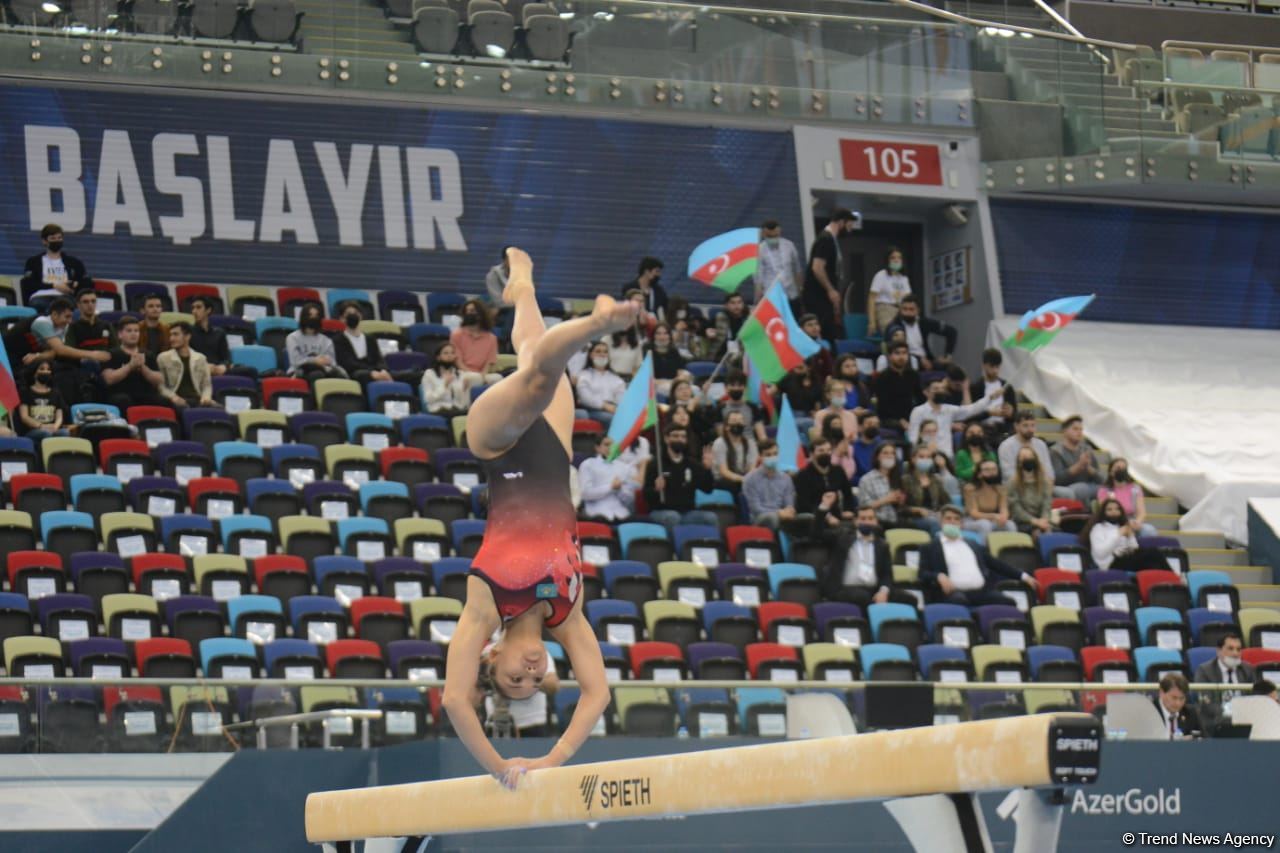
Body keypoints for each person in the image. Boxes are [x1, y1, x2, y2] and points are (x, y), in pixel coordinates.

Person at [442, 248, 635, 788]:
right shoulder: (566, 611)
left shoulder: (485, 602)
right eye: (534, 682)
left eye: (513, 680)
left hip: (498, 445)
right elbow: (597, 694)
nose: (529, 676)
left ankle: (595, 325)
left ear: (492, 655)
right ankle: (522, 287)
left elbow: (455, 699)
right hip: (553, 447)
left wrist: (498, 766)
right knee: (534, 353)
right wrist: (552, 761)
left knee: (536, 378)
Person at [919, 506, 1037, 606]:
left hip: (981, 592)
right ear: (941, 522)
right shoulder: (930, 547)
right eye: (948, 518)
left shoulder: (973, 544)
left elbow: (996, 564)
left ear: (961, 524)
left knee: (1008, 602)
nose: (952, 522)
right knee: (959, 601)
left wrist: (1023, 576)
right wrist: (938, 576)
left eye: (956, 519)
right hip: (953, 593)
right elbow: (922, 574)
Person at [9, 297, 111, 407]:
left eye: (71, 317)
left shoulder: (62, 326)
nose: (69, 321)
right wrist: (93, 355)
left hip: (29, 359)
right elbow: (60, 350)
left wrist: (39, 356)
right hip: (10, 360)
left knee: (70, 371)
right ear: (54, 315)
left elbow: (54, 352)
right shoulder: (42, 322)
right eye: (66, 317)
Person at [815, 504, 915, 608]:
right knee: (863, 597)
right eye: (863, 518)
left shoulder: (882, 545)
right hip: (845, 588)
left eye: (870, 518)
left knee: (909, 599)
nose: (867, 522)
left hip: (873, 589)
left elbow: (887, 574)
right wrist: (823, 507)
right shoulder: (842, 538)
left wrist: (883, 592)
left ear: (876, 521)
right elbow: (817, 534)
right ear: (855, 521)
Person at [642, 423, 719, 532]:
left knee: (711, 517)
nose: (680, 439)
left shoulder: (692, 464)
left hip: (687, 512)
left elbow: (707, 489)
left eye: (683, 437)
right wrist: (656, 489)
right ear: (666, 439)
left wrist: (707, 470)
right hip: (661, 511)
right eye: (676, 436)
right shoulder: (656, 464)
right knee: (673, 517)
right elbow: (646, 495)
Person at [478, 640, 559, 738]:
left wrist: (525, 677)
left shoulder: (537, 652)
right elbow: (475, 684)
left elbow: (552, 685)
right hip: (493, 723)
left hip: (532, 725)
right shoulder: (489, 651)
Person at [908, 378, 1001, 457]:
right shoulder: (918, 411)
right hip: (926, 455)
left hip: (947, 456)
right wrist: (921, 453)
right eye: (936, 388)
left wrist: (990, 398)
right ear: (926, 392)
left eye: (942, 388)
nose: (940, 391)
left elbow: (971, 410)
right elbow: (913, 437)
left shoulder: (949, 409)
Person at [803, 209, 856, 342]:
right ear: (841, 222)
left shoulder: (831, 240)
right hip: (818, 297)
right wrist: (830, 290)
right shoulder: (825, 239)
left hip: (824, 298)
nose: (850, 230)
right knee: (824, 334)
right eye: (849, 225)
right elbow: (817, 267)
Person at [1191, 633, 1255, 732]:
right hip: (1216, 723)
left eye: (1238, 649)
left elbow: (1255, 698)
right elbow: (1207, 704)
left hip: (1244, 722)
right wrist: (1231, 715)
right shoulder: (1204, 671)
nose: (1235, 653)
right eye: (1230, 648)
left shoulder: (1248, 670)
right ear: (1219, 651)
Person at [102, 315, 168, 411]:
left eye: (136, 331)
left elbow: (159, 380)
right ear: (120, 334)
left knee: (163, 401)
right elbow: (108, 379)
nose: (133, 334)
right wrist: (130, 366)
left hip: (145, 395)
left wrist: (143, 368)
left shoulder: (148, 354)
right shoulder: (111, 354)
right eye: (129, 331)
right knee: (123, 400)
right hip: (120, 395)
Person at [1083, 498, 1166, 571]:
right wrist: (1118, 534)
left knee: (1153, 560)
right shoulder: (1098, 528)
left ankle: (1167, 578)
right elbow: (1100, 553)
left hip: (1127, 557)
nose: (1114, 512)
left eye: (1117, 509)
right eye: (1109, 510)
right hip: (1110, 563)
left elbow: (1134, 548)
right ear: (1103, 512)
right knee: (1152, 554)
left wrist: (1130, 536)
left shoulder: (1121, 526)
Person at [882, 294, 956, 370]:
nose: (907, 312)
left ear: (918, 310)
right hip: (906, 360)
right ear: (900, 310)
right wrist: (919, 359)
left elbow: (951, 331)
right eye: (905, 309)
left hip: (927, 359)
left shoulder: (924, 322)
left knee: (952, 369)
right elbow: (891, 350)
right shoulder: (894, 326)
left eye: (911, 309)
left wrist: (947, 356)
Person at [21, 223, 88, 305]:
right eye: (53, 238)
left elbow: (85, 282)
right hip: (41, 297)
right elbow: (28, 284)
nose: (57, 241)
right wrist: (54, 286)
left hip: (66, 297)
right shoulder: (33, 262)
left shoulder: (74, 263)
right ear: (44, 241)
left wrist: (75, 286)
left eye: (59, 238)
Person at [791, 435, 852, 520]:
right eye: (821, 451)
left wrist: (848, 510)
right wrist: (825, 516)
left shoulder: (838, 471)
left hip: (836, 515)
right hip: (813, 517)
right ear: (811, 454)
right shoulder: (802, 475)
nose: (826, 453)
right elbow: (803, 504)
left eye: (829, 450)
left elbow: (848, 495)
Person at [578, 435, 637, 522]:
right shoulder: (588, 464)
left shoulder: (624, 467)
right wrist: (610, 487)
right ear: (598, 448)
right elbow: (585, 494)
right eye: (606, 444)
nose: (610, 448)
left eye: (613, 445)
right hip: (597, 515)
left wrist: (619, 489)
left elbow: (629, 500)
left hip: (622, 514)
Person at [158, 323, 216, 409]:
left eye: (175, 334)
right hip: (175, 399)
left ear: (187, 336)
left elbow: (206, 385)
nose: (171, 338)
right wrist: (173, 397)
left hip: (197, 399)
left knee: (221, 410)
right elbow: (161, 386)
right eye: (170, 335)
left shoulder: (201, 358)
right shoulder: (163, 358)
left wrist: (206, 398)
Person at [742, 439, 796, 531]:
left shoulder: (786, 478)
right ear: (760, 457)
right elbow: (755, 508)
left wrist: (789, 510)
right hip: (760, 518)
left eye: (775, 454)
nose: (773, 457)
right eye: (768, 455)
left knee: (806, 518)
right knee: (772, 518)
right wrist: (778, 513)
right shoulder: (749, 479)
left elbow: (789, 504)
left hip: (783, 515)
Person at [1097, 458, 1159, 538]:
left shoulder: (1135, 488)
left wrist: (1137, 522)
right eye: (1118, 468)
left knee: (1149, 530)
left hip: (1132, 521)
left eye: (1124, 468)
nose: (1121, 470)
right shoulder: (1104, 490)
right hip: (1113, 523)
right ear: (1111, 472)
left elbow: (1141, 513)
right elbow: (1105, 513)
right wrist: (1125, 525)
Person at [333, 302, 392, 385]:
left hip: (376, 371)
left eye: (356, 313)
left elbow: (379, 359)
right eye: (349, 314)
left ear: (360, 316)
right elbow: (348, 364)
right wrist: (372, 372)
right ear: (342, 319)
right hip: (355, 374)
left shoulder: (370, 338)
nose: (353, 315)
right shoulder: (338, 340)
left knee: (407, 375)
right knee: (362, 375)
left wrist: (383, 370)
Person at [1050, 415, 1103, 505]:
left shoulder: (1086, 449)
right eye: (1075, 429)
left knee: (1106, 489)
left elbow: (1100, 479)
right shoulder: (1056, 451)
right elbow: (1057, 479)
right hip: (1066, 489)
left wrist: (1088, 468)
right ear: (1065, 431)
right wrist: (1078, 466)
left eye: (1081, 430)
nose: (1079, 432)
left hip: (1087, 487)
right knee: (1078, 490)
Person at [872, 342, 924, 432]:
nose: (901, 357)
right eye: (897, 353)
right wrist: (900, 421)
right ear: (889, 356)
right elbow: (883, 406)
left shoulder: (913, 375)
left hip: (911, 416)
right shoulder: (882, 378)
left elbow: (920, 398)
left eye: (904, 353)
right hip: (889, 419)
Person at [754, 219, 804, 313]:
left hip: (791, 294)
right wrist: (757, 301)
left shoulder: (789, 246)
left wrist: (800, 290)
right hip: (771, 296)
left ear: (779, 232)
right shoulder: (759, 250)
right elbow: (758, 278)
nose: (773, 238)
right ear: (763, 234)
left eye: (776, 235)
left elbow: (797, 270)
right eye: (770, 236)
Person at [574, 340, 625, 428]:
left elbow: (621, 397)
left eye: (605, 352)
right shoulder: (584, 375)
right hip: (592, 409)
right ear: (590, 355)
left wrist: (617, 409)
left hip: (613, 408)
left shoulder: (615, 378)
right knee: (610, 418)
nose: (602, 354)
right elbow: (585, 398)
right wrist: (605, 406)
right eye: (598, 351)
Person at [450, 299, 502, 386]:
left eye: (472, 311)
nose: (468, 313)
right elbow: (458, 362)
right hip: (463, 373)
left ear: (480, 315)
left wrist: (482, 375)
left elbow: (489, 363)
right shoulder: (456, 335)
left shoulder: (492, 338)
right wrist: (475, 375)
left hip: (483, 374)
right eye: (467, 311)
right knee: (469, 378)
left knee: (498, 378)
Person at [963, 458, 1016, 541]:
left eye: (994, 469)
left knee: (1010, 524)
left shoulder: (1001, 489)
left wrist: (1004, 517)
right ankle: (984, 548)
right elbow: (974, 513)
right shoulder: (970, 489)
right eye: (987, 470)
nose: (991, 472)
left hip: (992, 520)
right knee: (985, 525)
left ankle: (1013, 547)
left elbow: (1004, 508)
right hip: (972, 521)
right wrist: (994, 516)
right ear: (979, 474)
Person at [970, 348, 1017, 438]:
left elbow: (1015, 415)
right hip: (982, 429)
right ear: (984, 365)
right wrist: (990, 413)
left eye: (997, 367)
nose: (995, 371)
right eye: (992, 367)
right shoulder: (975, 387)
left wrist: (1011, 413)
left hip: (1003, 429)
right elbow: (971, 414)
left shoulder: (1007, 387)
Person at [1008, 446, 1054, 538]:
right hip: (1022, 522)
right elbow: (1016, 509)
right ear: (1019, 462)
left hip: (1042, 520)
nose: (1028, 459)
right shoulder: (1013, 482)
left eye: (1030, 457)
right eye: (1024, 457)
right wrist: (1035, 522)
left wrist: (1044, 519)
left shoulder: (1044, 481)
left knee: (1048, 531)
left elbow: (1047, 504)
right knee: (1037, 533)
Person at [997, 410, 1054, 484]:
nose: (1030, 429)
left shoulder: (1041, 445)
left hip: (1040, 485)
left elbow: (1049, 472)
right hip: (1015, 486)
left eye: (1033, 425)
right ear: (1016, 426)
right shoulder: (1006, 446)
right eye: (1025, 425)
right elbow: (1008, 474)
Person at [286, 309, 345, 380]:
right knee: (317, 374)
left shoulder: (326, 340)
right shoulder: (293, 337)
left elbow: (332, 361)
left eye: (316, 316)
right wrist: (315, 361)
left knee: (339, 375)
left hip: (324, 369)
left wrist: (325, 361)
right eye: (310, 315)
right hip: (300, 371)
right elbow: (296, 362)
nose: (313, 318)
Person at [858, 442, 907, 527]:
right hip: (877, 522)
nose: (890, 456)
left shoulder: (897, 478)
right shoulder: (867, 479)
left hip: (896, 519)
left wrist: (900, 500)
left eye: (892, 453)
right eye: (885, 453)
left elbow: (900, 506)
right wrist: (886, 500)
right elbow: (864, 507)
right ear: (877, 457)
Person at [866, 246, 911, 336]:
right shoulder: (881, 275)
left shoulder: (903, 278)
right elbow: (871, 299)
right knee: (896, 334)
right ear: (887, 260)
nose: (896, 260)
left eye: (899, 258)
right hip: (885, 309)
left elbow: (908, 298)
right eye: (893, 258)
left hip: (902, 310)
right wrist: (872, 322)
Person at [902, 444, 947, 535]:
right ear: (913, 459)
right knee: (933, 523)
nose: (925, 459)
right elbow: (901, 508)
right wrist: (917, 510)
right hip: (915, 518)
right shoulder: (905, 480)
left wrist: (942, 512)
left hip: (935, 515)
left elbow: (946, 502)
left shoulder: (936, 480)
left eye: (928, 457)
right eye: (921, 457)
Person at [16, 363, 67, 442]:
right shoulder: (25, 392)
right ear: (34, 373)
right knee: (45, 434)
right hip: (33, 430)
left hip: (52, 428)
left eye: (48, 369)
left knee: (64, 432)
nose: (46, 371)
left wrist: (55, 427)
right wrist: (41, 426)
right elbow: (24, 417)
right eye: (42, 369)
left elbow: (59, 417)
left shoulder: (56, 393)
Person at [711, 409, 757, 494]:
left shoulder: (750, 443)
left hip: (743, 477)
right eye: (734, 421)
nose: (738, 424)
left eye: (740, 421)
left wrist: (747, 479)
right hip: (723, 479)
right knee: (733, 485)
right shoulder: (720, 443)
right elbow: (724, 471)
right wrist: (742, 479)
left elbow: (752, 468)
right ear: (727, 427)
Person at [421, 343, 471, 418]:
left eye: (452, 353)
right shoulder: (429, 374)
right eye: (446, 353)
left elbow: (464, 404)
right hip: (438, 409)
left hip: (456, 409)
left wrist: (465, 390)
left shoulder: (460, 374)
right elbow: (428, 399)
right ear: (438, 357)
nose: (450, 355)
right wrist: (444, 385)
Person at [188, 295, 231, 376]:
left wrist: (223, 367)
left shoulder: (219, 333)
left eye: (198, 307)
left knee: (249, 371)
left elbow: (226, 358)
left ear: (208, 310)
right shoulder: (188, 332)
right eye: (193, 308)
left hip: (218, 369)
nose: (194, 311)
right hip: (199, 369)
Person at [1153, 672, 1201, 740]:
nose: (1178, 703)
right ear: (1161, 693)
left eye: (1182, 698)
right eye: (1174, 698)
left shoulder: (1191, 713)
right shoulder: (1150, 711)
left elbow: (1204, 740)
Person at [65, 288, 113, 353]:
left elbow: (116, 349)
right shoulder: (73, 327)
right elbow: (69, 351)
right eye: (85, 302)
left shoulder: (107, 325)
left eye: (93, 301)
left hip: (105, 358)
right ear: (78, 305)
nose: (90, 305)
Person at [622, 257, 667, 324]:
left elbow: (665, 309)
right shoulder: (629, 288)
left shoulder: (659, 291)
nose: (659, 275)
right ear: (647, 272)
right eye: (657, 271)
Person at [711, 292, 749, 361]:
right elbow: (703, 326)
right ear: (726, 305)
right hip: (723, 354)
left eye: (739, 302)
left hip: (743, 353)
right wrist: (706, 330)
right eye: (733, 303)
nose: (737, 306)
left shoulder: (749, 319)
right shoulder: (721, 317)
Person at [850, 414, 881, 485]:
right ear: (860, 427)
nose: (873, 426)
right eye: (869, 423)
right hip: (859, 486)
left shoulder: (883, 446)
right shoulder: (852, 448)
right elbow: (849, 475)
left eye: (876, 424)